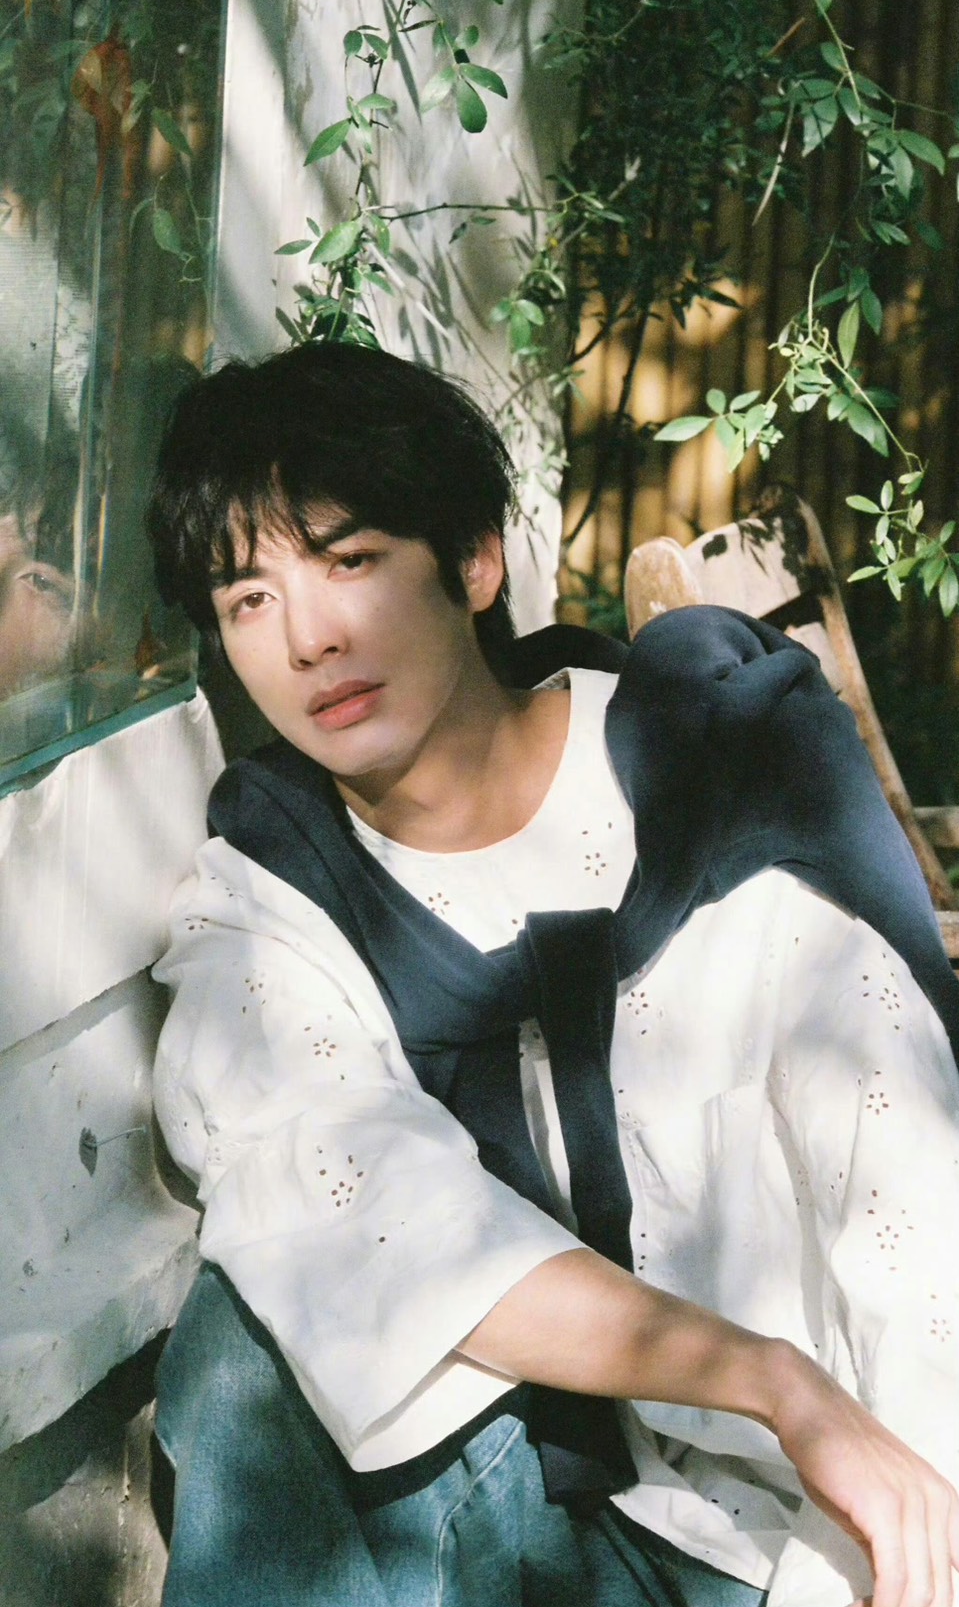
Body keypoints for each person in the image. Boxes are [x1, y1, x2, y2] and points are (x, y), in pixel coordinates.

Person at [146, 340, 959, 1607]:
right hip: (534, 1511)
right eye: (248, 599)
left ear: (474, 559)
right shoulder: (269, 896)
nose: (308, 639)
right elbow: (383, 1227)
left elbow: (909, 1210)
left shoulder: (715, 772)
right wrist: (768, 1380)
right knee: (242, 1343)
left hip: (811, 1523)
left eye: (350, 561)